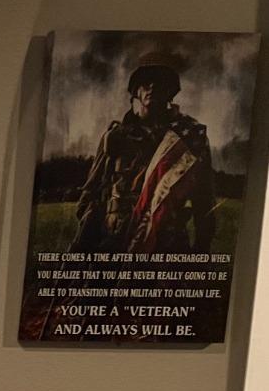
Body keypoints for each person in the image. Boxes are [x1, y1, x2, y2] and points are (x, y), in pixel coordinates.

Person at [71, 57, 215, 254]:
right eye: (146, 82)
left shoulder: (188, 139)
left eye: (160, 82)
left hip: (165, 238)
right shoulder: (116, 136)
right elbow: (91, 190)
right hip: (115, 236)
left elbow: (204, 200)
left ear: (170, 93)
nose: (153, 86)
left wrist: (201, 247)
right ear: (135, 93)